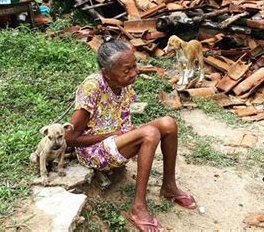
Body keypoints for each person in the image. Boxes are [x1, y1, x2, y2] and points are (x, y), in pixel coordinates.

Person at [65, 39, 195, 231]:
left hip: (118, 139)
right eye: (127, 70)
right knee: (149, 133)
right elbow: (71, 138)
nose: (134, 72)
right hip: (93, 151)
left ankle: (169, 186)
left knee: (168, 123)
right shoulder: (92, 87)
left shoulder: (123, 83)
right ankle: (138, 208)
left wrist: (122, 134)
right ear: (107, 74)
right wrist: (110, 135)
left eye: (134, 66)